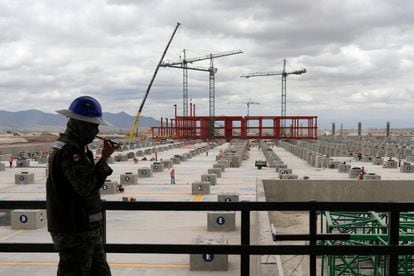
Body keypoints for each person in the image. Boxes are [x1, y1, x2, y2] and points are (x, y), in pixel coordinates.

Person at [46, 96, 116, 276]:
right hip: (74, 231)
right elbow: (85, 187)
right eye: (94, 126)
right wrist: (104, 159)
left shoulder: (76, 148)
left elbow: (88, 185)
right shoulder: (70, 151)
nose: (96, 131)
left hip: (85, 228)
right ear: (81, 126)